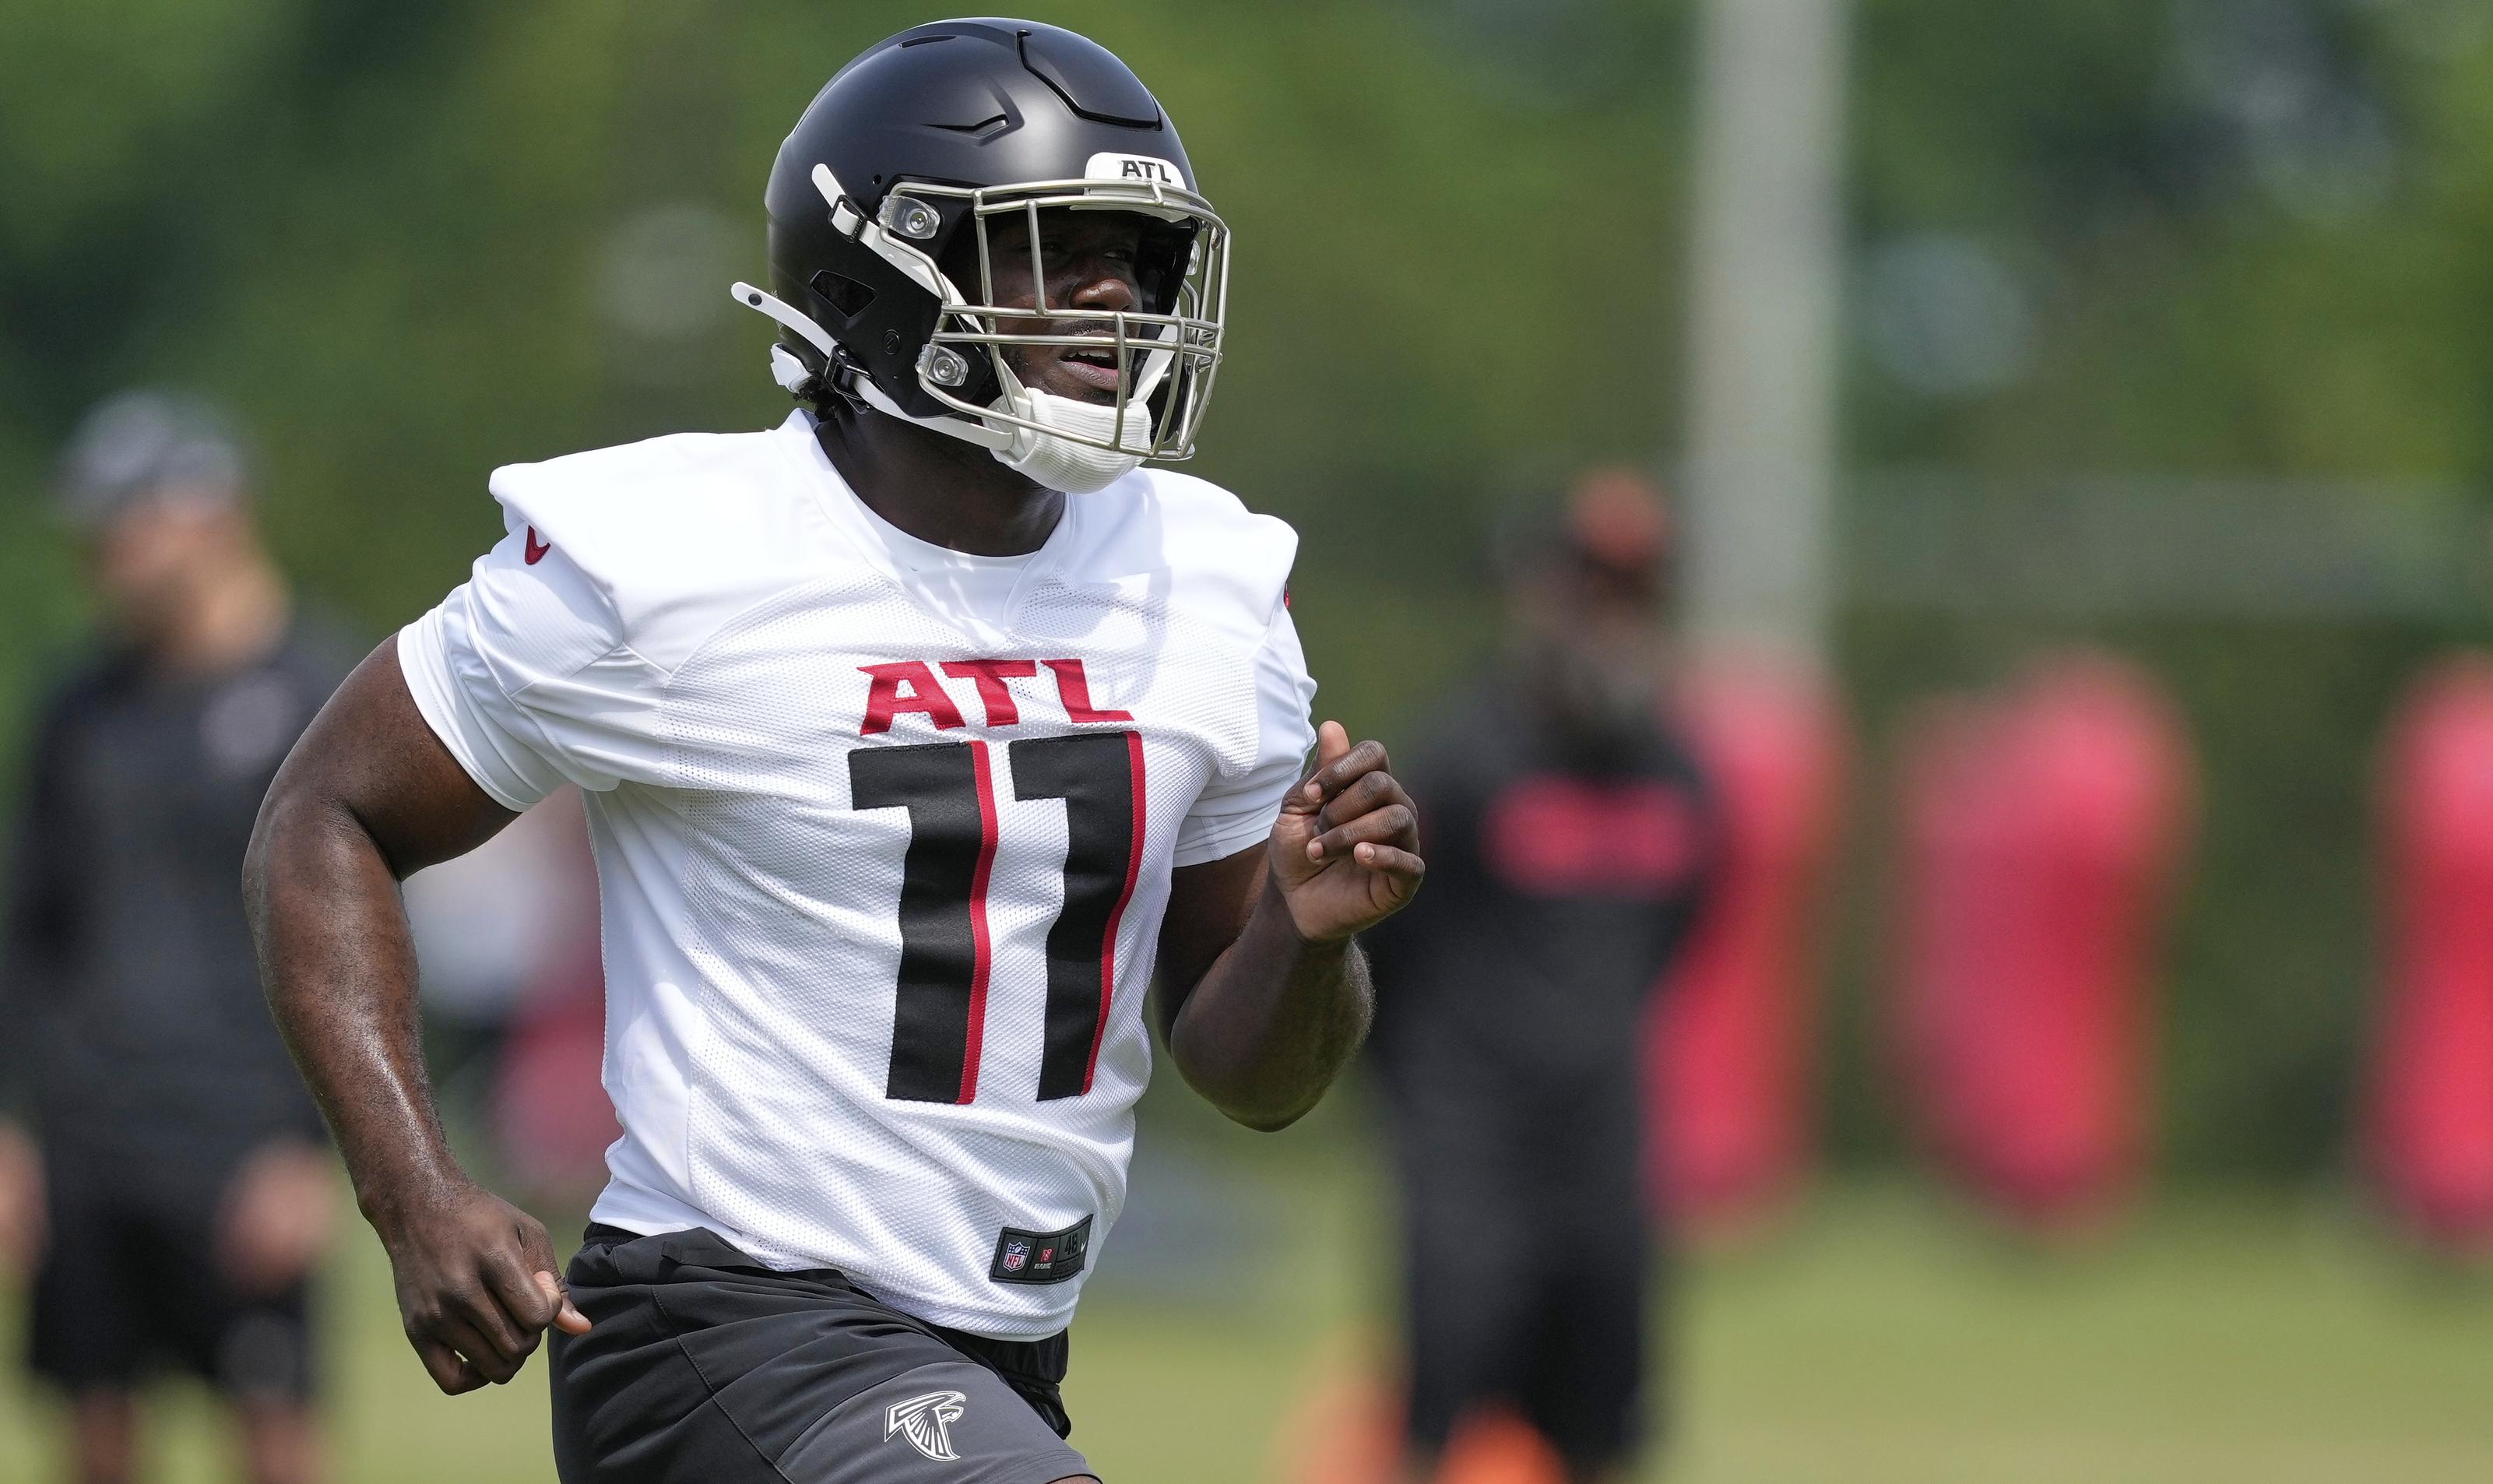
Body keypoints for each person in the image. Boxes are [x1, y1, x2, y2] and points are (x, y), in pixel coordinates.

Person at [242, 19, 1424, 1484]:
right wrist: (411, 1189)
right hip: (719, 1327)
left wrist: (1310, 937)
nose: (1115, 292)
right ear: (874, 285)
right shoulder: (676, 560)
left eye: (1132, 250)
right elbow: (325, 814)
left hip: (993, 1353)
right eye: (1052, 249)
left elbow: (1252, 1076)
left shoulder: (1208, 580)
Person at [0, 391, 348, 1484]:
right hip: (90, 1138)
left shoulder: (320, 692)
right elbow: (33, 925)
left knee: (273, 1437)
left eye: (126, 524)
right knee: (95, 1434)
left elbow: (367, 943)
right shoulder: (80, 706)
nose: (104, 552)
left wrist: (311, 1146)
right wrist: (11, 1128)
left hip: (242, 1135)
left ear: (210, 515)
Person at [1362, 471, 1714, 1484]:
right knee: (1438, 1418)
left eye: (1636, 592)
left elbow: (1681, 931)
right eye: (1593, 587)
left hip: (1603, 1147)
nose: (1613, 619)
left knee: (1602, 1425)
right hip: (1471, 1147)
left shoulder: (1677, 776)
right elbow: (1385, 944)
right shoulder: (1467, 759)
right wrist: (1427, 1101)